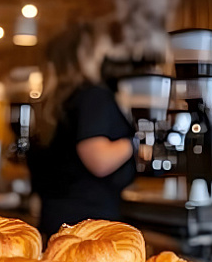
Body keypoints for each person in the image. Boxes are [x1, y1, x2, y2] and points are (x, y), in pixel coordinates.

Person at [26, 22, 136, 238]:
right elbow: (99, 160)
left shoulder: (50, 104)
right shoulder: (93, 96)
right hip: (89, 230)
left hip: (53, 221)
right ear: (85, 54)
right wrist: (136, 142)